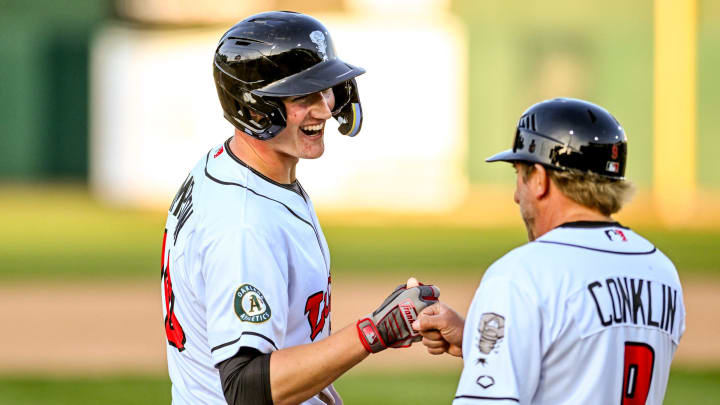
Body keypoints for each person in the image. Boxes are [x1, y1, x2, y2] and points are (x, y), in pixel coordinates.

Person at [160, 11, 439, 405]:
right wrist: (372, 332)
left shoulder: (230, 167)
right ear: (255, 108)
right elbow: (246, 387)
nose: (325, 108)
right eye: (304, 95)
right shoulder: (245, 223)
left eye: (327, 88)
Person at [413, 98, 685, 404]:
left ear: (540, 180)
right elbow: (594, 361)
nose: (517, 196)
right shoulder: (661, 272)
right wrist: (480, 341)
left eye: (519, 175)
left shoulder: (519, 275)